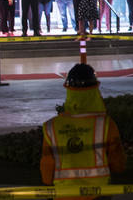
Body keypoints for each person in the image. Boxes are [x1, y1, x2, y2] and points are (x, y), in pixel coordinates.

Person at [40, 64, 125, 197]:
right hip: (98, 194)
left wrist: (48, 184)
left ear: (69, 90)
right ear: (95, 89)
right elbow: (118, 163)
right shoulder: (106, 124)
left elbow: (47, 165)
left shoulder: (51, 127)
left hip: (64, 195)